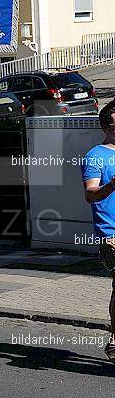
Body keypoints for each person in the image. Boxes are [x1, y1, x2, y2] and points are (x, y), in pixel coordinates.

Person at [82, 100, 115, 362]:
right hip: (112, 232)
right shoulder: (96, 156)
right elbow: (90, 194)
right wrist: (112, 185)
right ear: (107, 126)